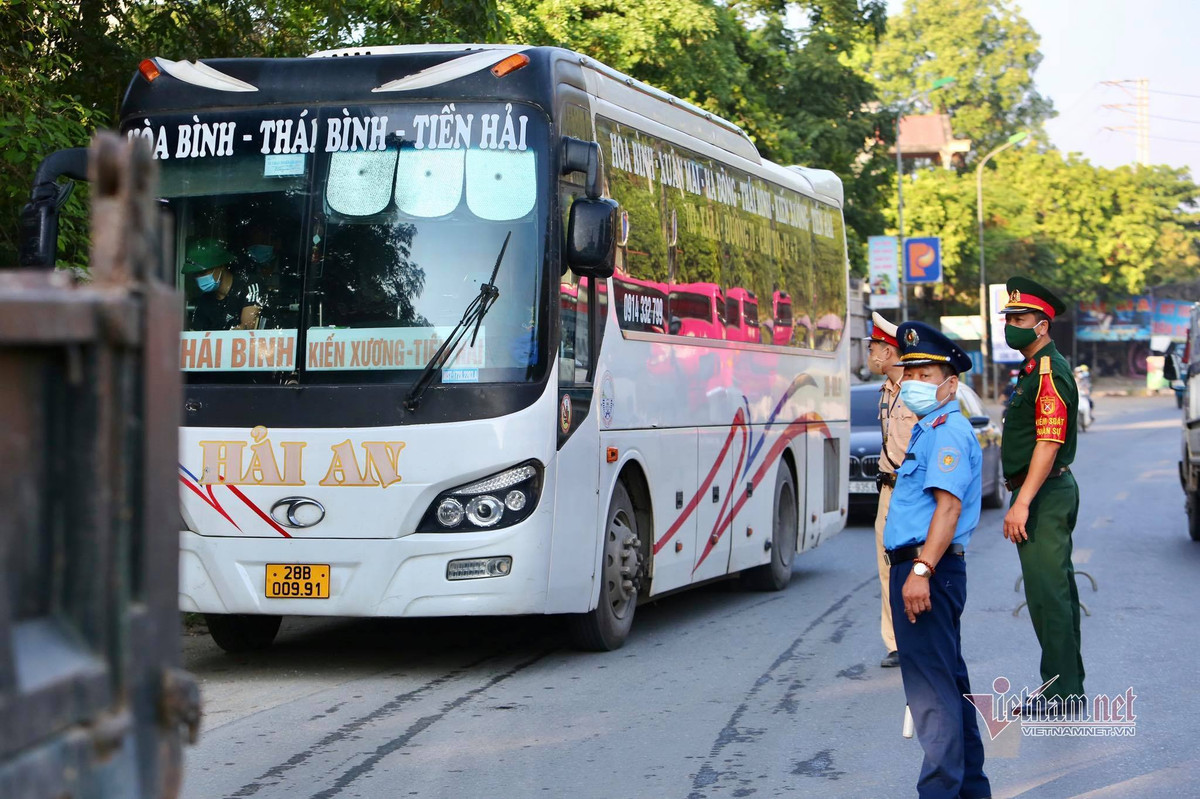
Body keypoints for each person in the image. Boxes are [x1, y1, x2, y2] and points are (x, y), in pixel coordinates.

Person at [884, 320, 990, 799]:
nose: (913, 383)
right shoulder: (930, 429)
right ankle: (970, 791)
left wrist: (921, 571)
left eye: (925, 373)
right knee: (950, 687)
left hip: (929, 568)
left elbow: (947, 508)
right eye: (908, 373)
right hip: (927, 568)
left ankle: (941, 793)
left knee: (932, 698)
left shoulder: (947, 432)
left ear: (951, 382)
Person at [997, 276, 1084, 717]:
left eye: (1020, 318)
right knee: (1056, 594)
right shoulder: (1033, 368)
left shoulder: (1049, 370)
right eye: (1008, 317)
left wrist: (1023, 502)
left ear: (1042, 325)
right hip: (1044, 492)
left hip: (1044, 495)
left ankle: (1061, 693)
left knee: (1048, 597)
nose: (1011, 324)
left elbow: (1048, 443)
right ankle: (1067, 688)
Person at [863, 311, 918, 669]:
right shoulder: (884, 392)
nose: (870, 355)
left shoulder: (919, 393)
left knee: (918, 566)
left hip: (913, 490)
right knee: (887, 567)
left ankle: (922, 637)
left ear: (888, 351)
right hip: (887, 489)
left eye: (873, 348)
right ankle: (897, 643)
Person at [183, 237, 262, 331]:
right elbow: (196, 335)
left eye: (203, 272)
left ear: (220, 266)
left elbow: (247, 329)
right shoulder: (204, 301)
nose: (199, 277)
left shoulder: (249, 285)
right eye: (195, 274)